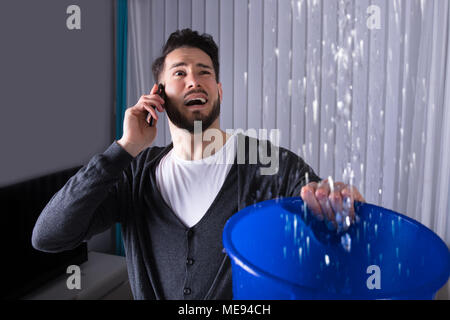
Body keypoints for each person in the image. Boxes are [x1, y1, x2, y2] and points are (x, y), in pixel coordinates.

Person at [32, 29, 365, 300]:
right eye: (180, 73)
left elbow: (335, 230)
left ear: (218, 90)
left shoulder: (269, 163)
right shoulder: (135, 173)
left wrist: (338, 204)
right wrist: (124, 148)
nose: (194, 81)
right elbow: (49, 236)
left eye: (204, 72)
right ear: (157, 96)